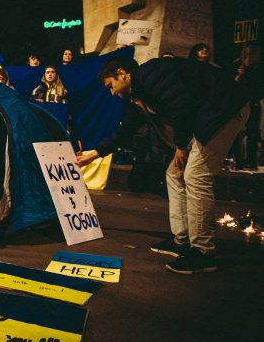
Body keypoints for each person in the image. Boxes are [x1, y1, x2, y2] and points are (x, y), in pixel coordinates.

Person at [76, 56, 251, 274]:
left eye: (111, 86)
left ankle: (204, 252)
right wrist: (93, 154)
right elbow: (124, 132)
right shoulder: (138, 95)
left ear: (122, 73)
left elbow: (182, 105)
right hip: (210, 114)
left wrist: (181, 146)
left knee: (196, 176)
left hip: (224, 108)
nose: (112, 92)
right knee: (174, 174)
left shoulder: (152, 74)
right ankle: (183, 240)